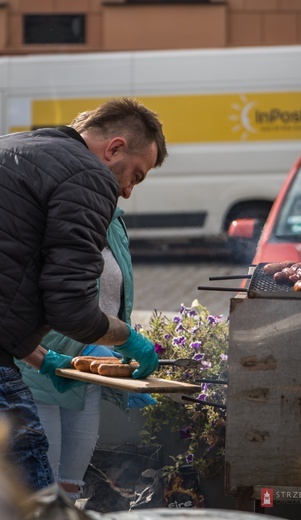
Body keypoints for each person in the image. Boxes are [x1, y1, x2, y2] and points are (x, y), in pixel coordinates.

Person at [0, 97, 167, 493]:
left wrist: (40, 357)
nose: (126, 191)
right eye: (136, 175)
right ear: (114, 148)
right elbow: (70, 307)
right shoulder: (87, 175)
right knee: (36, 500)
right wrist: (128, 338)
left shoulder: (11, 148)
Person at [17, 201, 155, 502]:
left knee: (69, 489)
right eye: (133, 175)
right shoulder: (51, 214)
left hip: (86, 372)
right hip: (37, 369)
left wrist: (114, 348)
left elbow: (113, 299)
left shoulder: (115, 222)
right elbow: (46, 299)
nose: (131, 190)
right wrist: (77, 348)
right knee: (40, 492)